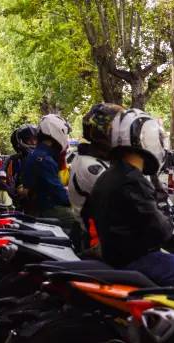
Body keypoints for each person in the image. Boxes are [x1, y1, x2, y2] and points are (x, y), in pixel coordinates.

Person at [90, 109, 174, 289]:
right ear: (146, 138)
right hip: (138, 259)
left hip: (114, 256)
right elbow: (161, 231)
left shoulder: (107, 176)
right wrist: (167, 221)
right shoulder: (133, 180)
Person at [68, 103, 124, 251]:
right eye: (118, 130)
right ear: (104, 133)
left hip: (110, 237)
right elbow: (124, 198)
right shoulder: (91, 166)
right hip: (99, 244)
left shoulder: (101, 159)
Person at [21, 114, 75, 230]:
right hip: (48, 209)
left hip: (38, 206)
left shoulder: (36, 154)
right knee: (81, 219)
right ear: (57, 130)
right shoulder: (44, 159)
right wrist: (78, 200)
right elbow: (58, 193)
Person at [4, 124, 38, 208]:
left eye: (35, 139)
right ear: (21, 141)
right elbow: (8, 183)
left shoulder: (45, 157)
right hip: (21, 204)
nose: (33, 142)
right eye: (29, 140)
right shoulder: (14, 160)